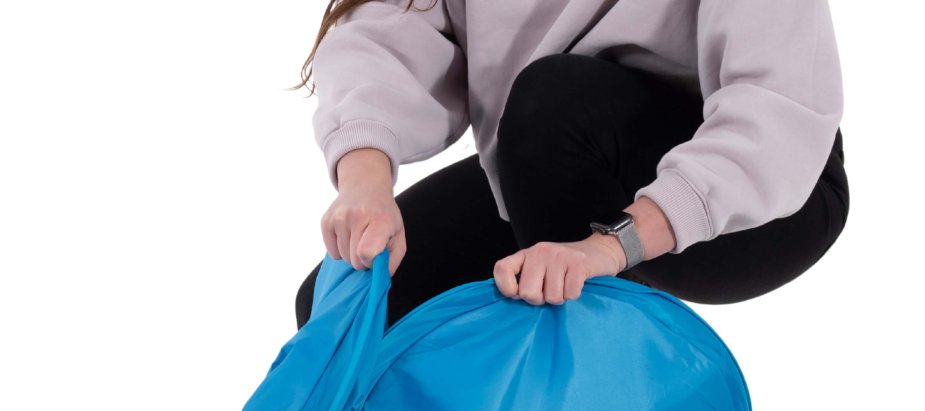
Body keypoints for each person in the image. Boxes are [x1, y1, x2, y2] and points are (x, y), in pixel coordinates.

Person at [292, 0, 849, 331]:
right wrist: (365, 185)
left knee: (550, 102)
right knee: (351, 309)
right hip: (546, 165)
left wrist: (608, 248)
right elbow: (386, 29)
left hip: (761, 184)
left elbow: (778, 108)